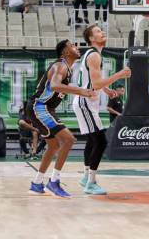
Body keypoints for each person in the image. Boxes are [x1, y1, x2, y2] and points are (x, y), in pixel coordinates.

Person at [26, 39, 96, 198]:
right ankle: (53, 182)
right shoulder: (61, 65)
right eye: (72, 45)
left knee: (53, 145)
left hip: (43, 107)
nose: (77, 47)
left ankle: (37, 183)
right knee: (69, 140)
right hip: (40, 107)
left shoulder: (67, 68)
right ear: (65, 52)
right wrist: (82, 92)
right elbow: (55, 86)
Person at [73, 24, 131, 195]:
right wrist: (120, 74)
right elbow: (96, 83)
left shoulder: (93, 55)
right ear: (91, 38)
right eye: (98, 31)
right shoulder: (94, 56)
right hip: (86, 102)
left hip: (86, 102)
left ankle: (85, 177)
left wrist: (105, 89)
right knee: (101, 141)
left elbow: (94, 81)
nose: (102, 32)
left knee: (92, 141)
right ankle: (91, 183)